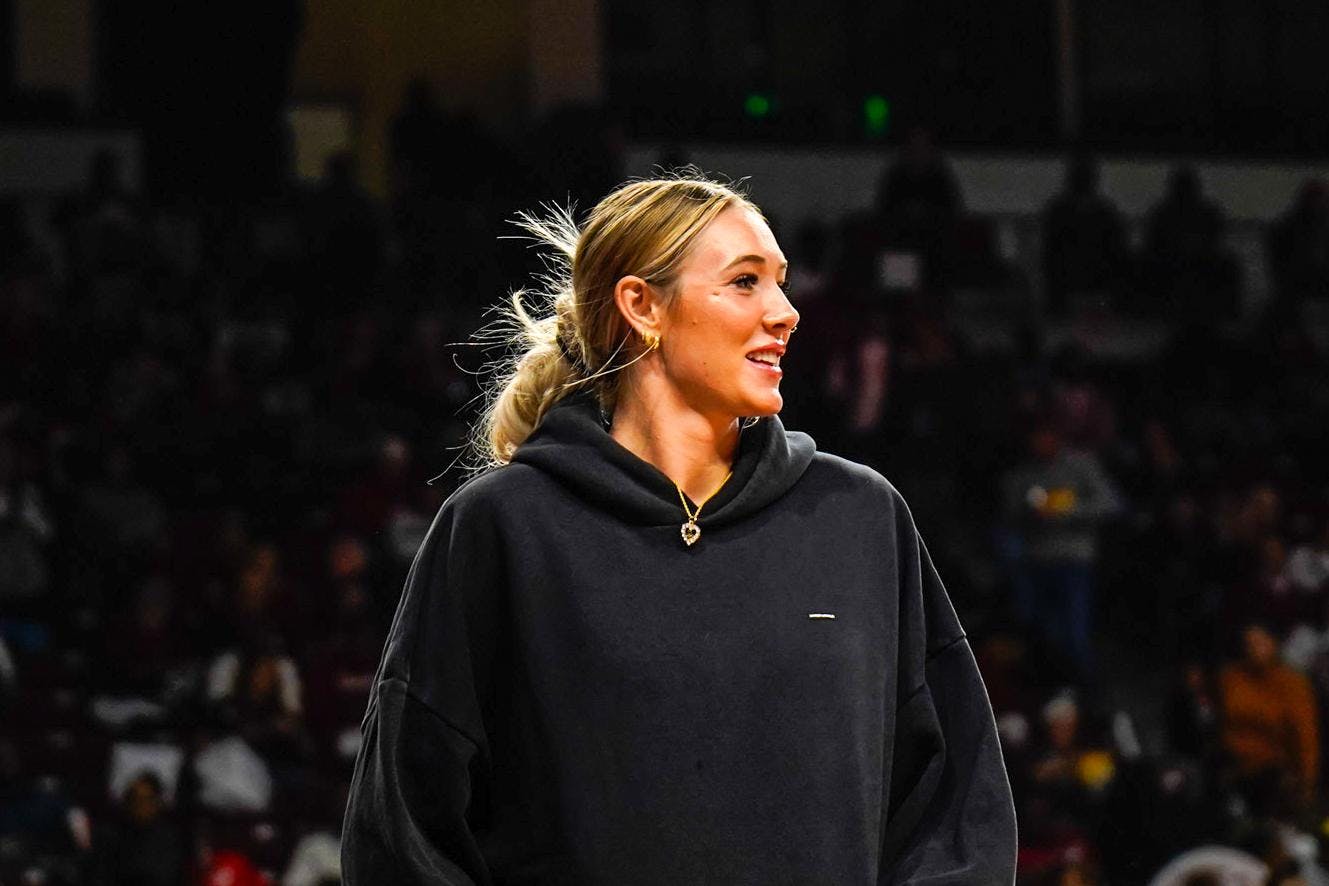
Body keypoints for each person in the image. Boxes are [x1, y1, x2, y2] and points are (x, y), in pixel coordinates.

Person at [341, 175, 1017, 883]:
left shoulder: (861, 519)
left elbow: (956, 811)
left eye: (781, 283)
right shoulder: (501, 528)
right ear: (642, 306)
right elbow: (404, 835)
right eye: (745, 281)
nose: (786, 312)